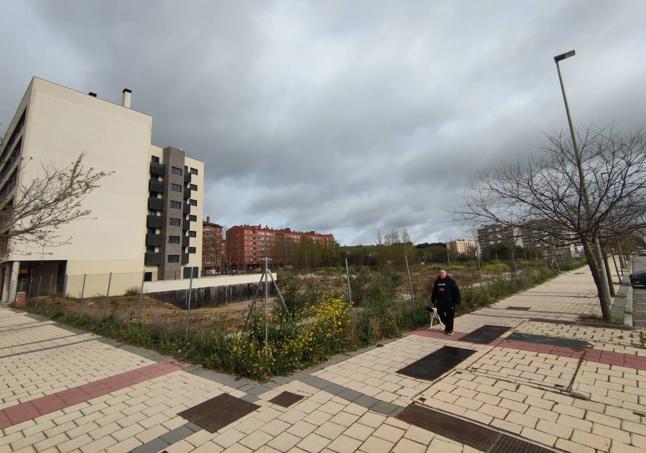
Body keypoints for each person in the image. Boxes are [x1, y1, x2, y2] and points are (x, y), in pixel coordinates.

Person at [430, 269, 461, 335]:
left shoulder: (451, 281)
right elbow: (434, 291)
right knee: (440, 314)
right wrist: (433, 299)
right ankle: (448, 326)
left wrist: (457, 301)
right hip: (440, 302)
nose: (441, 274)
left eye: (443, 273)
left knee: (450, 316)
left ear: (446, 273)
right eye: (440, 273)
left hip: (450, 302)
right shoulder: (437, 281)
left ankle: (450, 330)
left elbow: (456, 291)